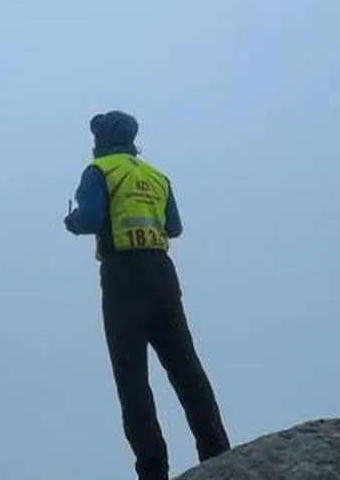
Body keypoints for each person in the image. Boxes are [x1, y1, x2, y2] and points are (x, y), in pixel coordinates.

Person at [63, 110, 231, 480]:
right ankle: (218, 452)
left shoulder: (100, 171)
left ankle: (153, 470)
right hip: (163, 275)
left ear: (101, 139)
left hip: (123, 276)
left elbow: (89, 218)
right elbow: (175, 227)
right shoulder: (155, 175)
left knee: (132, 376)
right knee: (186, 367)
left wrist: (72, 222)